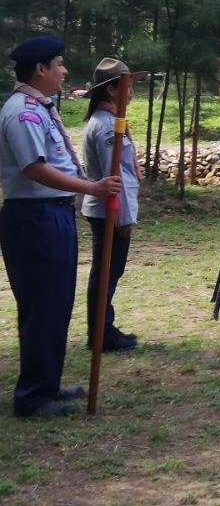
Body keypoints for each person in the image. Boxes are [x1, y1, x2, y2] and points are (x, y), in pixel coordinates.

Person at [0, 36, 121, 418]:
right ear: (41, 69)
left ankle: (45, 384)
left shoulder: (38, 108)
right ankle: (34, 396)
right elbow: (34, 168)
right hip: (34, 217)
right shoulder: (23, 113)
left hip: (51, 214)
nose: (64, 70)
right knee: (42, 305)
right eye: (59, 63)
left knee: (54, 304)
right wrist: (92, 187)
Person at [81, 58, 147, 353]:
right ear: (110, 91)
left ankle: (103, 328)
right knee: (106, 272)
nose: (132, 91)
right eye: (127, 85)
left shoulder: (111, 121)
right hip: (111, 212)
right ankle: (101, 334)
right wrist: (124, 218)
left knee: (107, 272)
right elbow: (114, 177)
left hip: (111, 210)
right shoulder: (107, 127)